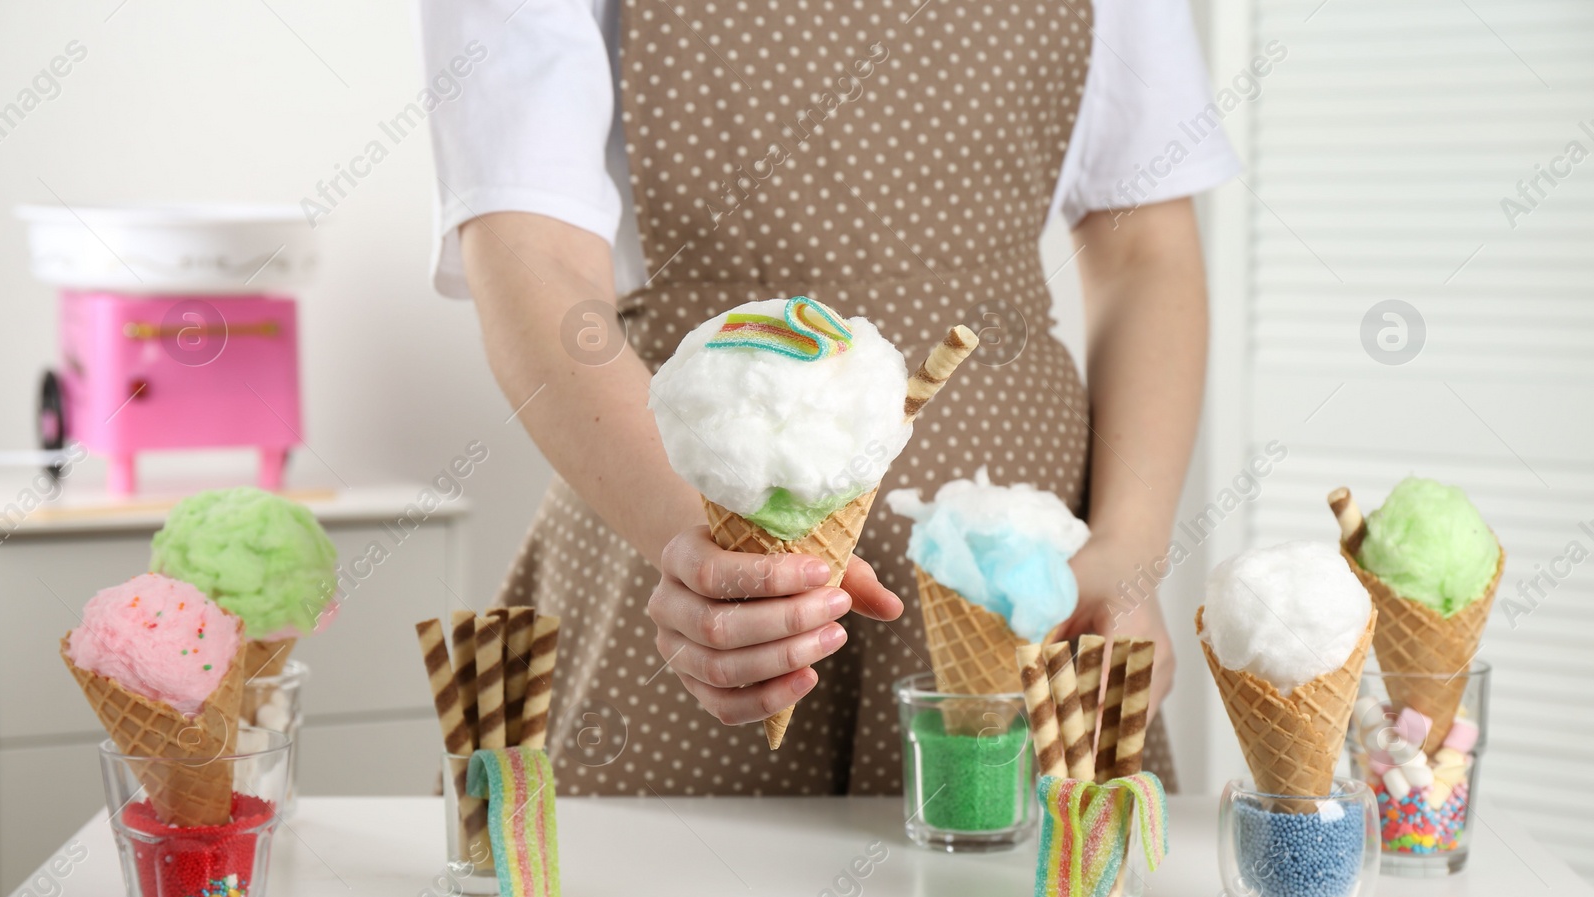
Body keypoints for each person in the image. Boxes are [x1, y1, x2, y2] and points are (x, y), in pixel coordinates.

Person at [418, 0, 1239, 796]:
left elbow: (1146, 252)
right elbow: (531, 261)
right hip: (678, 549)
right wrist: (699, 554)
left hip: (1032, 582)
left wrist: (1131, 546)